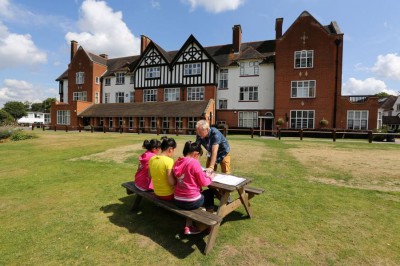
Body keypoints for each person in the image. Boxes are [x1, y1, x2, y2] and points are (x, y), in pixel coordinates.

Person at [173, 141, 215, 235]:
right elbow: (203, 182)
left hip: (177, 199)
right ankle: (207, 223)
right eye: (199, 156)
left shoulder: (177, 162)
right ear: (196, 154)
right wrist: (210, 177)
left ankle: (189, 225)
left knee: (195, 196)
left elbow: (188, 176)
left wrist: (202, 174)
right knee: (209, 193)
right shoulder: (194, 162)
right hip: (191, 201)